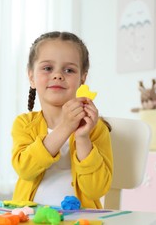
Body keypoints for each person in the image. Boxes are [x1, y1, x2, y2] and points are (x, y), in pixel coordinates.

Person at [11, 31, 113, 209]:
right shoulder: (24, 124)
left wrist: (82, 138)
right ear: (31, 77)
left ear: (83, 78)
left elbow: (96, 190)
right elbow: (25, 170)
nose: (58, 75)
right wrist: (65, 127)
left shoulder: (96, 129)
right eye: (47, 68)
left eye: (69, 70)